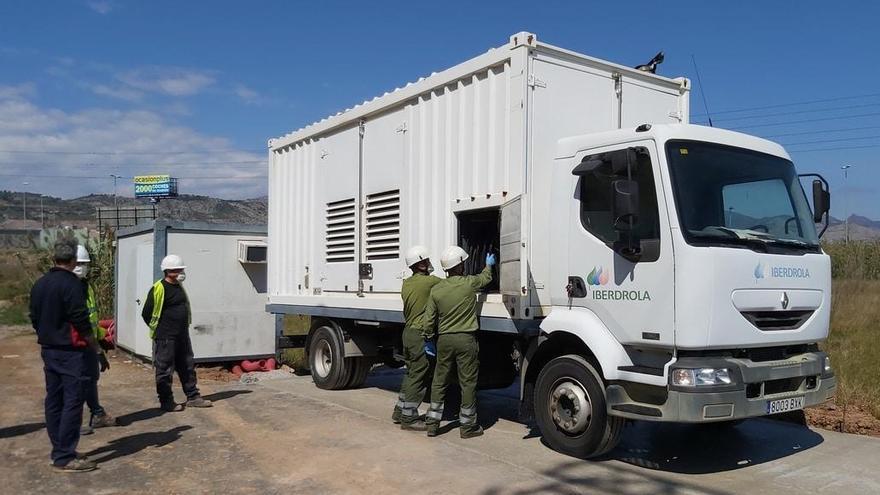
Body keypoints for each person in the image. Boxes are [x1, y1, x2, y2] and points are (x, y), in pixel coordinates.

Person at [30, 239, 109, 472]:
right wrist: (95, 347)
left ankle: (59, 449)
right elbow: (80, 320)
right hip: (71, 352)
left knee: (54, 400)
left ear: (53, 259)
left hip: (49, 349)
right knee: (73, 401)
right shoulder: (72, 285)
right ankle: (65, 455)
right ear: (73, 260)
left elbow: (34, 317)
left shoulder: (40, 284)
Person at [423, 246, 495, 439]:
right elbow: (485, 278)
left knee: (439, 382)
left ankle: (432, 425)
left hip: (445, 340)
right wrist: (488, 266)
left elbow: (429, 320)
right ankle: (468, 427)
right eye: (463, 263)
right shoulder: (468, 284)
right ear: (460, 266)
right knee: (468, 383)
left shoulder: (436, 290)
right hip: (466, 340)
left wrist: (428, 339)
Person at [141, 254, 212, 412]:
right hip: (166, 337)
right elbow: (146, 313)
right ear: (168, 271)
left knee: (187, 366)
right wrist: (159, 330)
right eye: (177, 269)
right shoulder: (158, 288)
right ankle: (166, 402)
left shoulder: (178, 286)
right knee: (165, 370)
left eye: (181, 269)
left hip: (182, 335)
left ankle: (193, 397)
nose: (181, 272)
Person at [392, 245, 442, 431]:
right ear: (420, 265)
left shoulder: (408, 283)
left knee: (411, 373)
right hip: (420, 334)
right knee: (419, 376)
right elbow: (451, 284)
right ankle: (409, 419)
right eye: (427, 261)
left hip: (409, 333)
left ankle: (400, 411)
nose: (429, 263)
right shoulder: (428, 282)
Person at [74, 245, 117, 435]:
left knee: (91, 380)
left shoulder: (86, 286)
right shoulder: (67, 289)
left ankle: (97, 414)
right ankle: (73, 423)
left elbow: (91, 319)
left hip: (89, 344)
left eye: (84, 264)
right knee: (75, 384)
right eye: (78, 263)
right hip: (74, 345)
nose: (81, 268)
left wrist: (101, 339)